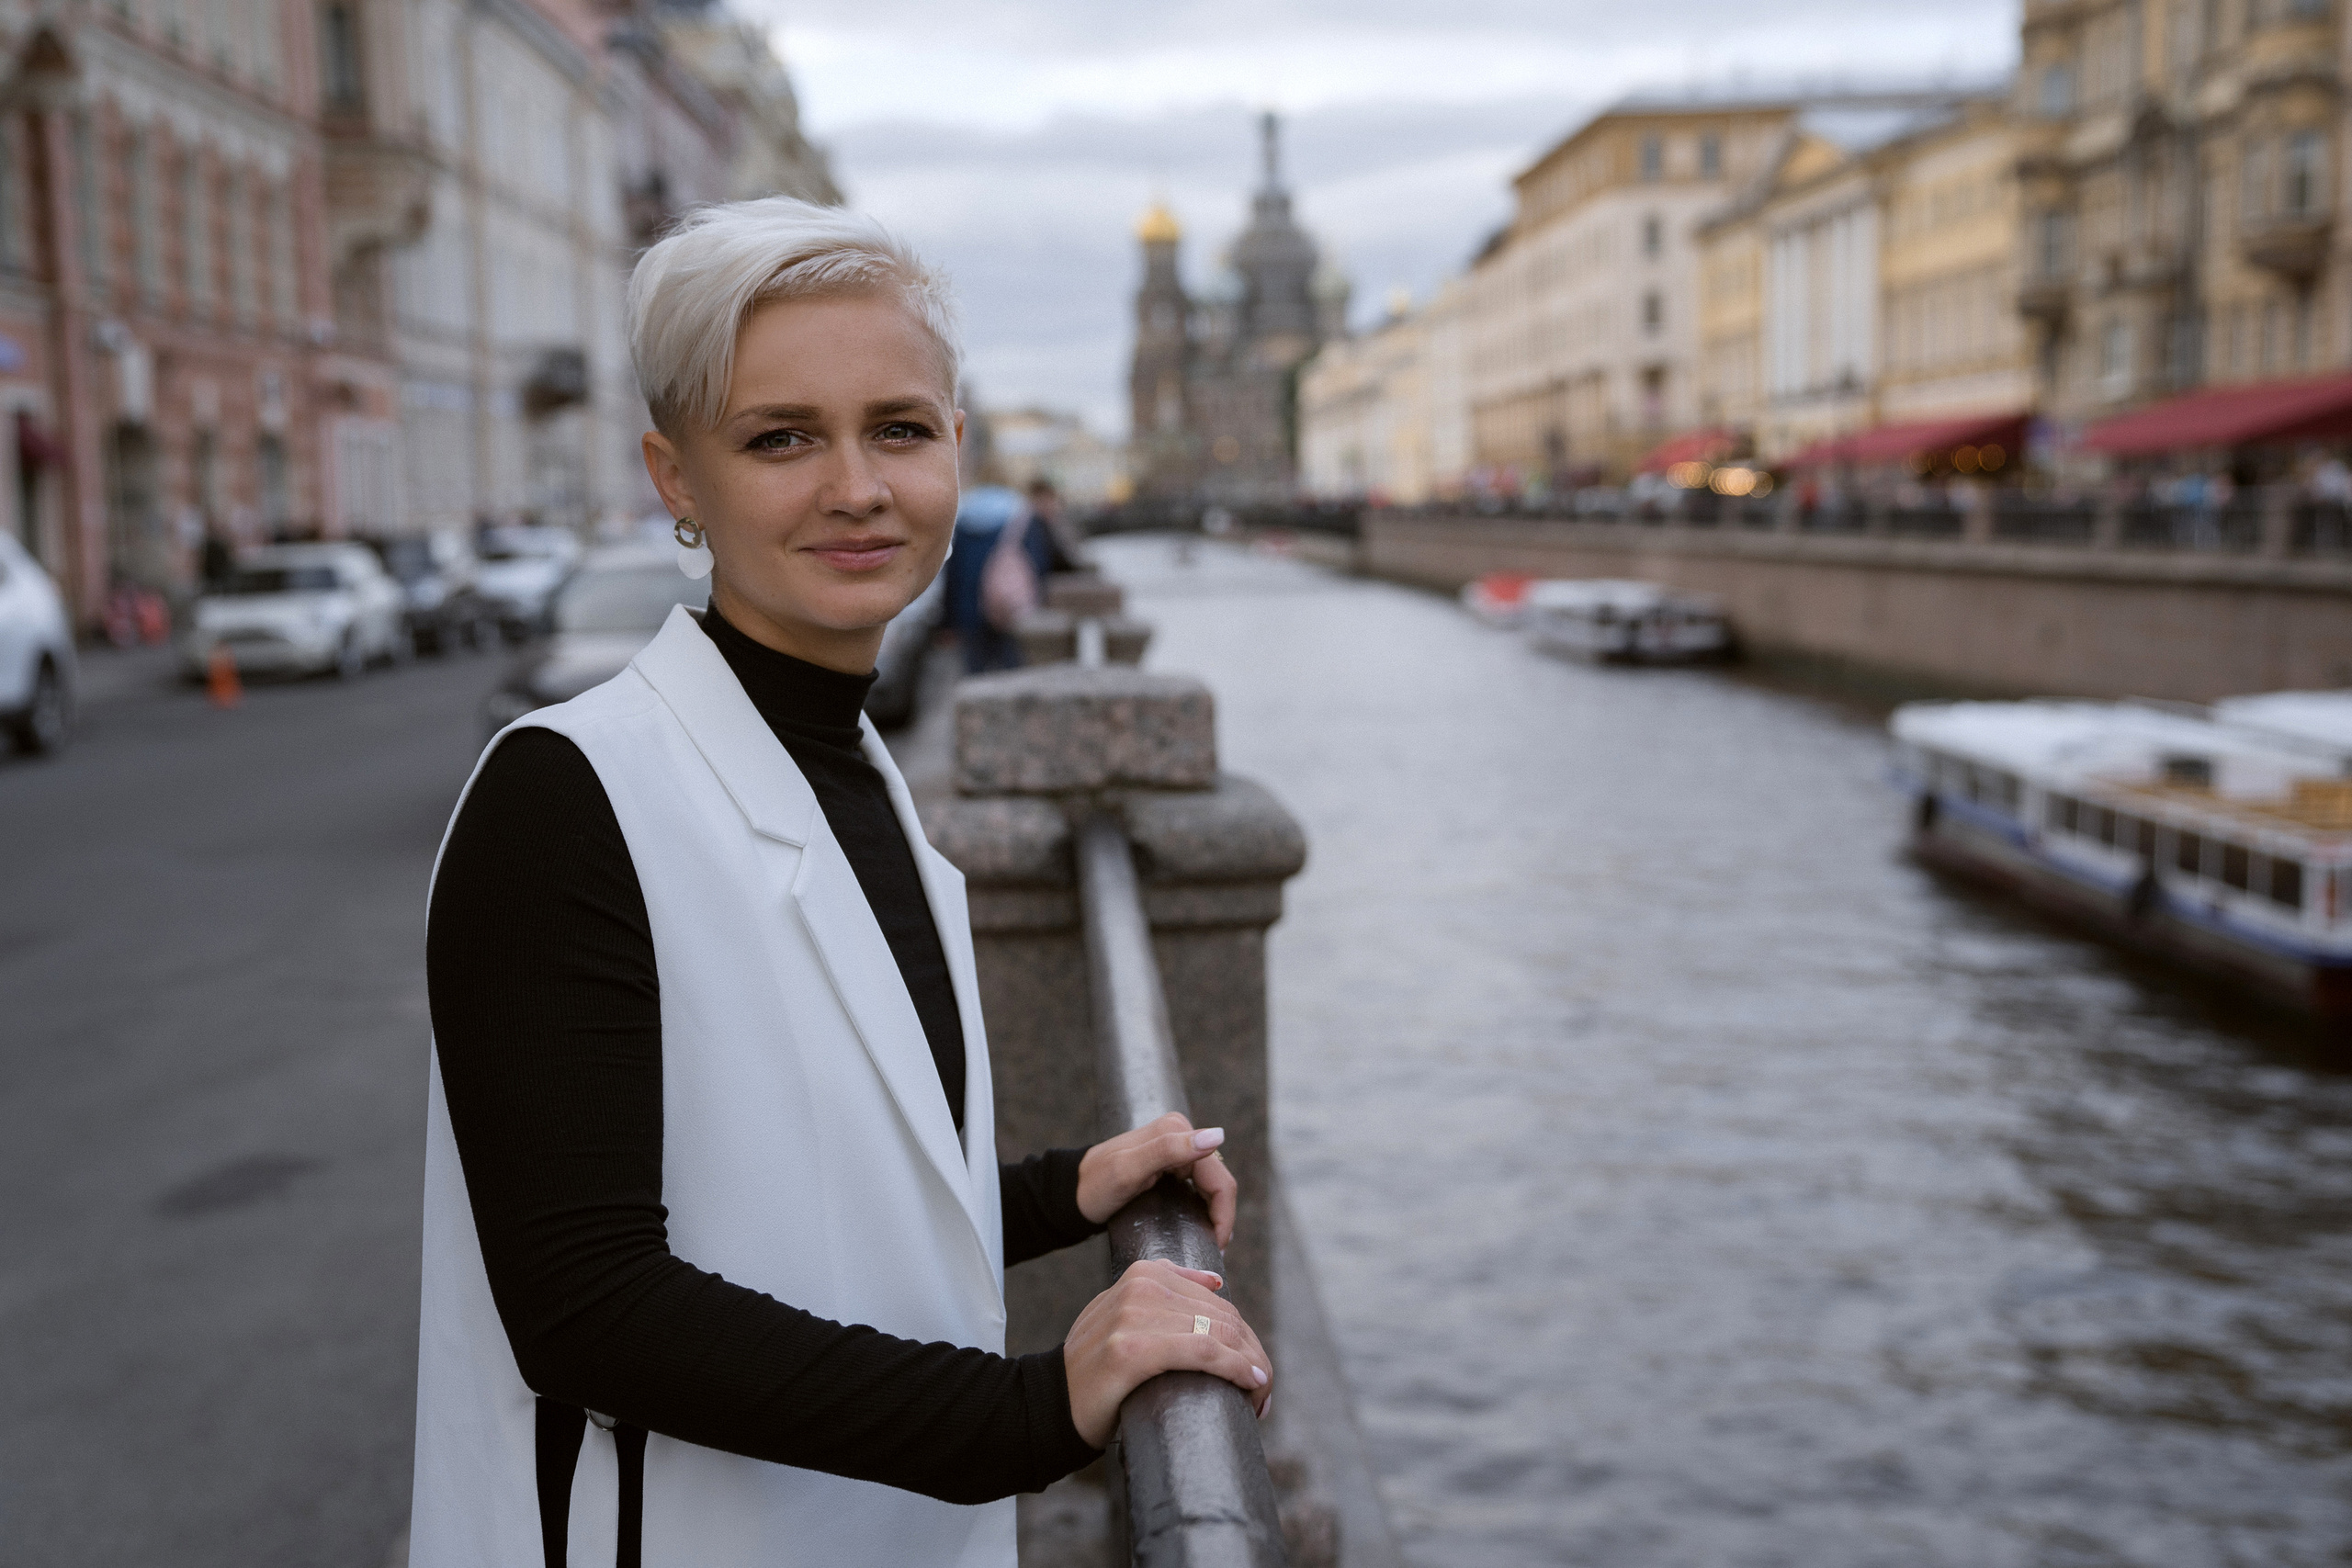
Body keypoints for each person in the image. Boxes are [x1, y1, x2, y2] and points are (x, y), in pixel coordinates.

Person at [411, 197, 1272, 1565]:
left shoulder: (854, 763)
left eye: (899, 428)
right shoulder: (565, 795)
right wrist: (1032, 1409)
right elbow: (584, 1303)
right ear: (674, 476)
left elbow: (811, 1190)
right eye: (781, 437)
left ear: (957, 451)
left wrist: (1069, 1188)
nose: (857, 486)